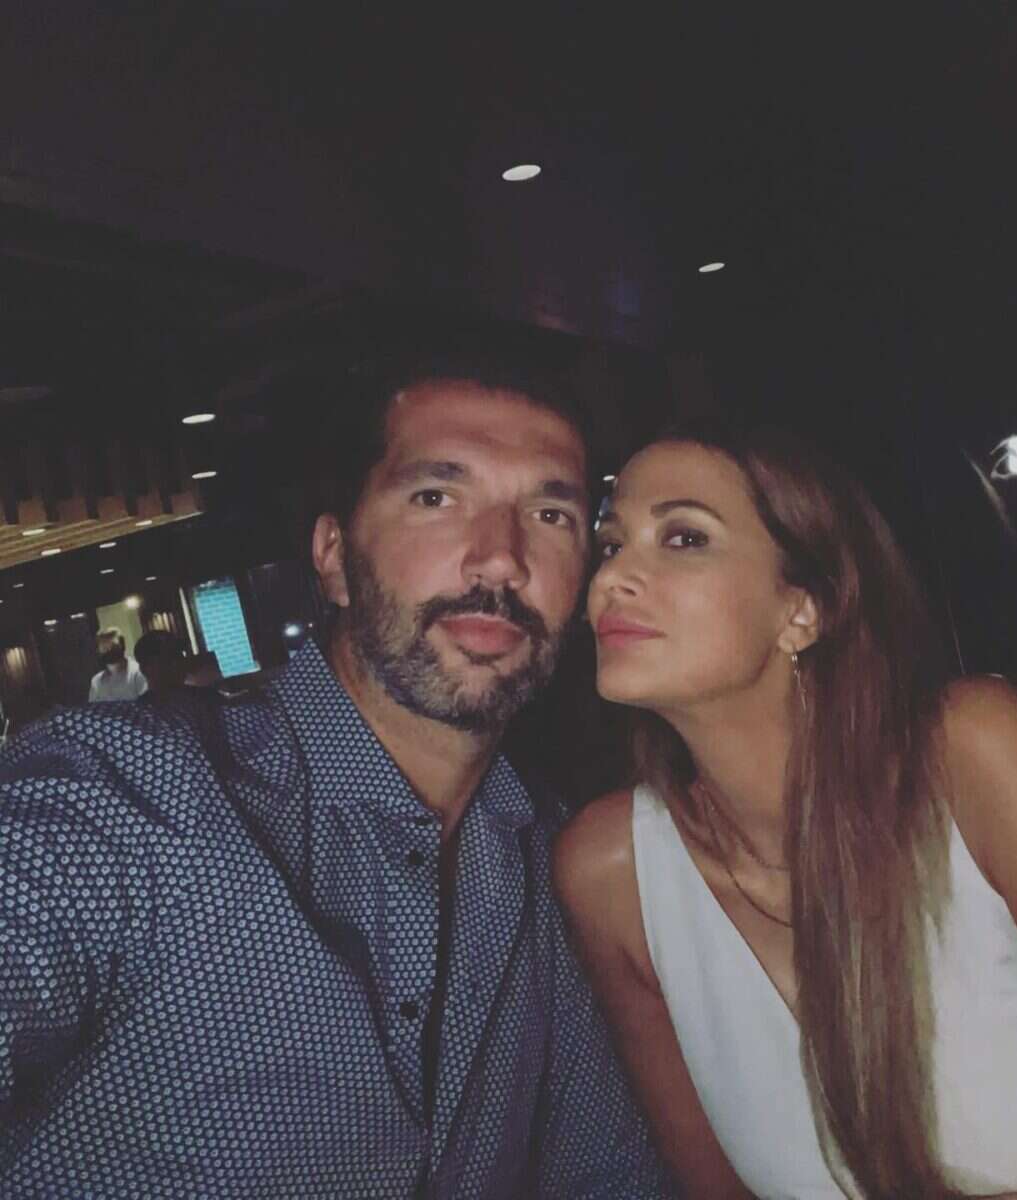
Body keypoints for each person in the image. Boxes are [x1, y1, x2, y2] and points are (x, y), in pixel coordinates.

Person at [0, 352, 675, 1198]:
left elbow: (606, 1175)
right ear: (331, 558)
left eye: (550, 514)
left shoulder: (550, 858)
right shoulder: (128, 795)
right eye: (436, 498)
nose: (501, 559)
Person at [554, 421, 1017, 1199]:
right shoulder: (610, 872)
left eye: (684, 538)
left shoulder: (968, 755)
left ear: (803, 610)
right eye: (611, 543)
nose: (612, 579)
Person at [86, 628, 148, 701]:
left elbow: (146, 703)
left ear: (122, 645)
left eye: (112, 645)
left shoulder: (140, 672)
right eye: (103, 646)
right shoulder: (96, 680)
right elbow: (93, 706)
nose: (108, 649)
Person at [133, 629, 189, 694]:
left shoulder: (197, 695)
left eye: (180, 655)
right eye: (169, 659)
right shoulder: (143, 702)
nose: (180, 663)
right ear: (145, 668)